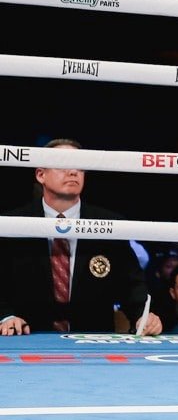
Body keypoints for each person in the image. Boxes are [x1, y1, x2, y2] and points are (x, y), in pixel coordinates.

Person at [0, 138, 162, 336]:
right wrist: (6, 316)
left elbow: (130, 284)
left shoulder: (110, 223)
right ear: (41, 175)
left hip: (92, 342)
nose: (73, 171)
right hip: (26, 338)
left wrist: (143, 317)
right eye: (63, 164)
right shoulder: (12, 224)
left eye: (79, 165)